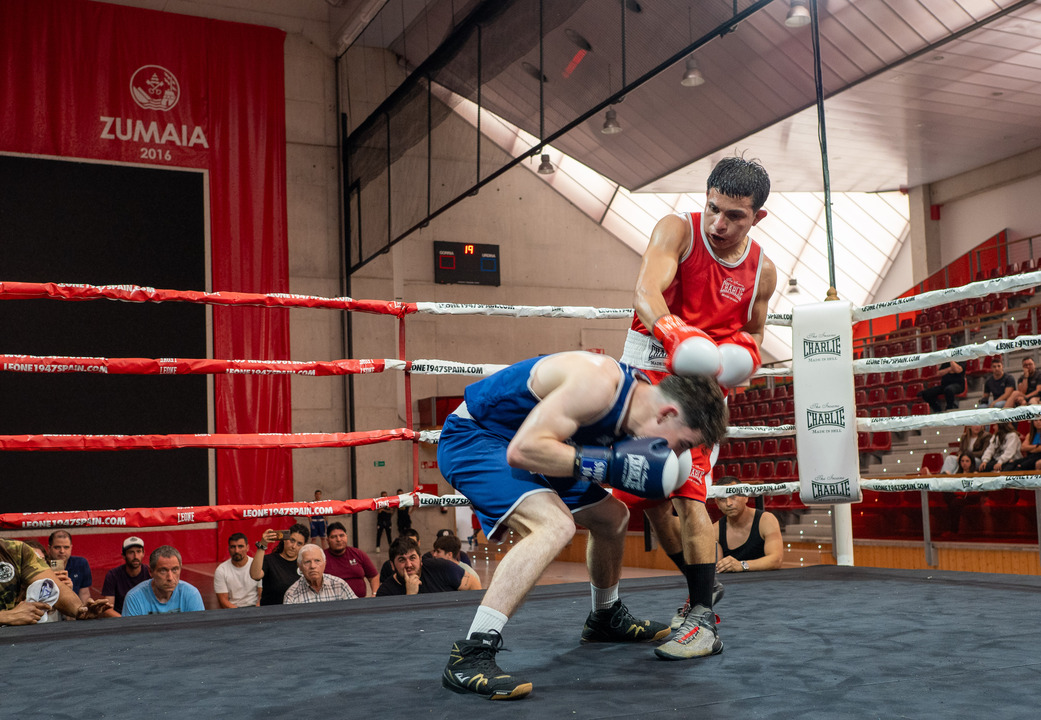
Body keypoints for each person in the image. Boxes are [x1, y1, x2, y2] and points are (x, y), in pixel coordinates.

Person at [437, 350, 727, 699]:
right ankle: (470, 655)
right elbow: (523, 451)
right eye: (682, 444)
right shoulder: (597, 383)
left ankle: (604, 617)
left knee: (613, 517)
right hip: (478, 438)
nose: (674, 455)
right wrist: (610, 465)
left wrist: (614, 465)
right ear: (667, 413)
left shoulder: (638, 406)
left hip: (539, 447)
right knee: (556, 525)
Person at [617, 156, 776, 659]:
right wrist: (676, 334)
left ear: (758, 217)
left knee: (688, 493)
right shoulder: (678, 231)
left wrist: (742, 356)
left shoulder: (762, 271)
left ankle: (703, 619)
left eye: (734, 215)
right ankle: (700, 586)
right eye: (713, 208)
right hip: (646, 378)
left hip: (699, 394)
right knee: (649, 499)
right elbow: (646, 291)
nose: (718, 223)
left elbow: (754, 332)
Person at [0, 538, 110, 625]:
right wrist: (5, 616)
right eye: (58, 547)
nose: (62, 551)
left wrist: (80, 610)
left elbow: (55, 586)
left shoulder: (16, 550)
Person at [375, 536, 478, 597]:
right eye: (402, 560)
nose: (408, 565)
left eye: (412, 558)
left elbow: (472, 583)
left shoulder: (440, 567)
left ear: (420, 559)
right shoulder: (385, 592)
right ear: (392, 565)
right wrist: (410, 595)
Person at [122, 545, 205, 617]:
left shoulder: (191, 594)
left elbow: (199, 628)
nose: (170, 578)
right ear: (151, 572)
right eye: (163, 571)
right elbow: (131, 630)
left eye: (175, 570)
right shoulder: (134, 598)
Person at [251, 523, 309, 606]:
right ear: (284, 539)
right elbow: (255, 575)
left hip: (297, 611)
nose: (294, 546)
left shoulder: (304, 564)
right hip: (272, 611)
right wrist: (262, 545)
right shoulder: (269, 560)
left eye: (299, 544)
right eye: (292, 540)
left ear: (304, 546)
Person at [283, 544, 358, 604]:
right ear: (300, 566)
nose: (313, 566)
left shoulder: (340, 585)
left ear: (324, 563)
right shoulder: (292, 594)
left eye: (317, 561)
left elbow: (356, 611)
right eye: (307, 562)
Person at [324, 521, 379, 598]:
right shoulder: (321, 558)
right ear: (327, 540)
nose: (338, 539)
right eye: (334, 537)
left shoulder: (358, 554)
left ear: (346, 536)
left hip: (359, 601)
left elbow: (374, 576)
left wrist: (374, 594)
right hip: (332, 602)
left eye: (341, 535)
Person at [101, 536, 152, 615]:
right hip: (121, 618)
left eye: (138, 551)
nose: (135, 556)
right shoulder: (113, 575)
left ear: (143, 553)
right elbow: (107, 609)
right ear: (123, 556)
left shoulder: (150, 573)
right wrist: (125, 621)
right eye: (131, 552)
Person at [214, 533, 262, 608]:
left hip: (255, 609)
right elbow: (223, 601)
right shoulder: (221, 570)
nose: (236, 551)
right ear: (228, 549)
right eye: (233, 547)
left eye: (240, 546)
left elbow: (262, 596)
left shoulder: (257, 566)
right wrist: (239, 613)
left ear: (247, 547)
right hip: (232, 610)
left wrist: (256, 612)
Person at [47, 530, 93, 604]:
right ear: (49, 548)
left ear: (71, 548)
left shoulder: (81, 563)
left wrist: (86, 609)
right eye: (57, 547)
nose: (62, 551)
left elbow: (84, 594)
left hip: (74, 607)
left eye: (66, 547)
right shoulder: (42, 565)